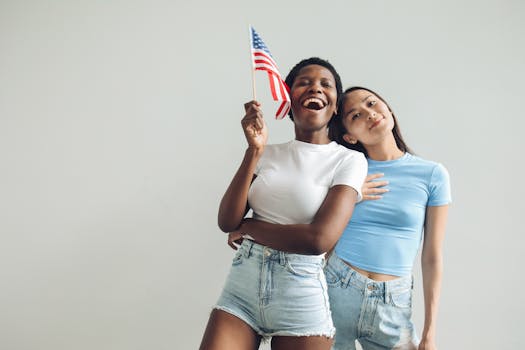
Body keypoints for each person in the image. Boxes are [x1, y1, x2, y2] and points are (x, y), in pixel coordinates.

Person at [199, 58, 368, 350]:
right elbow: (227, 221)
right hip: (242, 289)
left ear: (335, 105)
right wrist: (254, 150)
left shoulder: (349, 160)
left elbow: (319, 239)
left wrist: (250, 225)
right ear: (288, 97)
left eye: (325, 84)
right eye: (304, 82)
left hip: (300, 294)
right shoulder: (266, 153)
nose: (315, 87)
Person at [326, 87, 451, 350]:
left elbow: (432, 256)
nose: (370, 114)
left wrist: (429, 332)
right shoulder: (345, 168)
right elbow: (307, 218)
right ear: (349, 136)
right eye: (356, 115)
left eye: (372, 103)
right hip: (336, 287)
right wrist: (252, 227)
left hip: (393, 300)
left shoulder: (432, 174)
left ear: (388, 108)